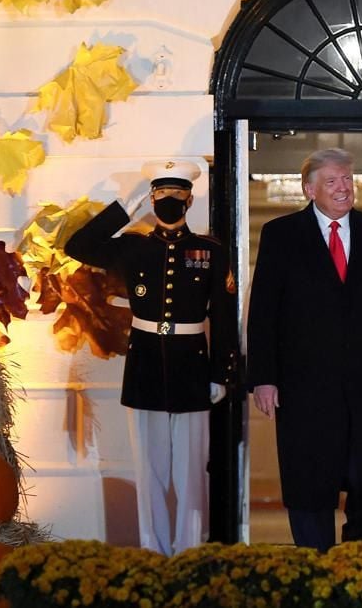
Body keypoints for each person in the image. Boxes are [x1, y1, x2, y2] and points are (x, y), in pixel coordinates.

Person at [247, 148, 362, 552]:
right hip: (303, 385)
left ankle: (359, 564)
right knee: (309, 479)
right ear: (309, 189)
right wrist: (263, 378)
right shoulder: (281, 235)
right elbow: (263, 314)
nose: (344, 187)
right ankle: (315, 566)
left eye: (347, 179)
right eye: (332, 181)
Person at [65, 160, 237, 555]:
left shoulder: (209, 251)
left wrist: (220, 373)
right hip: (144, 365)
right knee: (149, 470)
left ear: (190, 199)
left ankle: (190, 551)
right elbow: (78, 246)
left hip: (193, 365)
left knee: (192, 472)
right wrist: (125, 208)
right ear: (152, 198)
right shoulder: (133, 247)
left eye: (178, 195)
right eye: (161, 194)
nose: (170, 201)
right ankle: (154, 552)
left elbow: (224, 316)